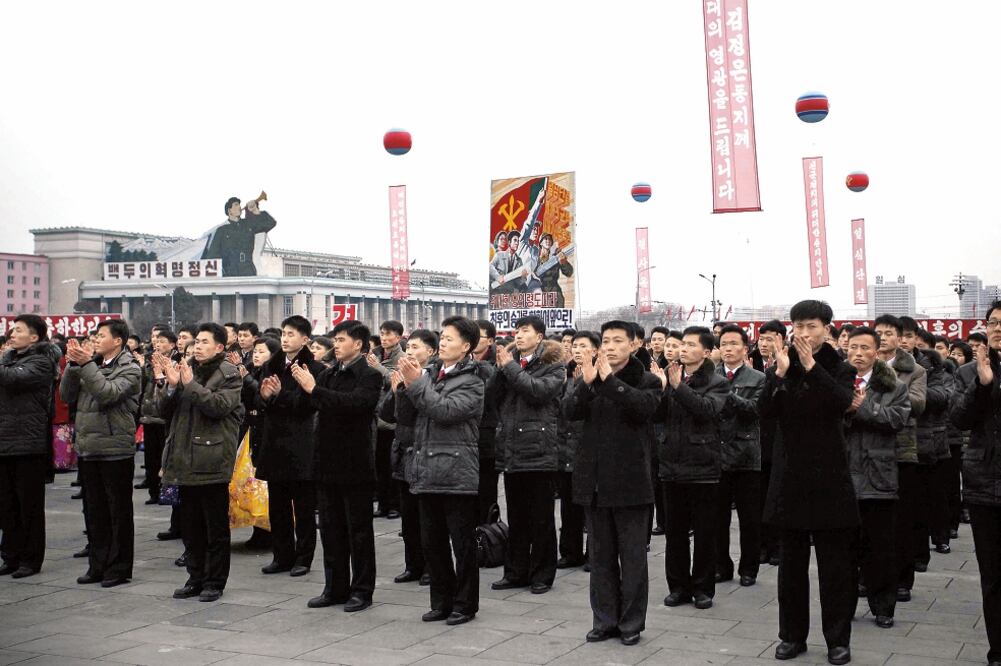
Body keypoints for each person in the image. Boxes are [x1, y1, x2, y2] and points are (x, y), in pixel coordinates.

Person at [758, 300, 857, 665]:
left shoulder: (840, 367)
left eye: (811, 326)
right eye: (797, 326)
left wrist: (812, 367)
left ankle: (837, 640)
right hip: (790, 479)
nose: (803, 333)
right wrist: (780, 375)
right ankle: (792, 636)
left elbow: (841, 402)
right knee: (791, 569)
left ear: (827, 329)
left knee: (835, 568)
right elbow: (763, 413)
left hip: (829, 478)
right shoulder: (781, 367)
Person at [564, 321, 661, 646]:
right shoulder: (589, 377)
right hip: (594, 481)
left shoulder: (647, 379)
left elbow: (642, 409)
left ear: (635, 345)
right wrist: (586, 384)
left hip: (631, 482)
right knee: (600, 557)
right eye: (605, 340)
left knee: (632, 559)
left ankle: (631, 622)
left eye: (618, 341)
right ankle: (604, 620)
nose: (610, 346)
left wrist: (608, 382)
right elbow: (569, 412)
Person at [397, 316, 484, 625]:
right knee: (432, 543)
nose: (443, 342)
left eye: (449, 338)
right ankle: (441, 601)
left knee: (461, 544)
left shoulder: (473, 381)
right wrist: (402, 387)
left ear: (466, 346)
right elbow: (401, 419)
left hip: (456, 471)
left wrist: (416, 384)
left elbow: (445, 411)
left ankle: (465, 604)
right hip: (425, 469)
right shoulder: (428, 374)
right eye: (442, 337)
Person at [293, 320, 383, 612]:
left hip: (355, 465)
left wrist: (314, 390)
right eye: (335, 339)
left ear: (358, 343)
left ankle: (362, 591)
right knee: (330, 531)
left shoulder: (368, 375)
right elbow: (322, 406)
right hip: (327, 463)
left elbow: (355, 405)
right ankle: (334, 587)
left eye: (341, 339)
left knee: (358, 532)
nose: (336, 344)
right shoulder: (331, 374)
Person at [152, 323, 243, 602]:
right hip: (181, 457)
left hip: (211, 458)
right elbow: (162, 411)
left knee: (214, 527)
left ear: (219, 347)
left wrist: (189, 385)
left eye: (205, 342)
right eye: (197, 342)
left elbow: (217, 407)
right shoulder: (183, 367)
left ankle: (214, 581)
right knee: (190, 527)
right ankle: (195, 577)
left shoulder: (229, 374)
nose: (198, 347)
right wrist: (168, 385)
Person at [61, 319, 142, 588]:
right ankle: (97, 565)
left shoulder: (129, 367)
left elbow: (108, 393)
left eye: (101, 335)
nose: (95, 339)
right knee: (93, 511)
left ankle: (118, 568)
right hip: (89, 447)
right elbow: (66, 396)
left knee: (117, 512)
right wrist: (73, 365)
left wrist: (86, 365)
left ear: (117, 341)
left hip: (115, 448)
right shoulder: (92, 364)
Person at [655, 326, 729, 610]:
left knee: (704, 532)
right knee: (674, 533)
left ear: (707, 352)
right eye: (681, 344)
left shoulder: (717, 382)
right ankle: (678, 587)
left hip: (703, 467)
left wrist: (678, 387)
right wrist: (662, 389)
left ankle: (702, 588)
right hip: (672, 465)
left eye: (690, 345)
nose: (682, 349)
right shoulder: (672, 377)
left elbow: (706, 410)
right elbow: (657, 415)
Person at [492, 315, 565, 595]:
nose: (519, 336)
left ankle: (542, 574)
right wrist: (501, 370)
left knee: (541, 518)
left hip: (539, 451)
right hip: (512, 450)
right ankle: (515, 572)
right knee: (518, 516)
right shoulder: (509, 364)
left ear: (540, 337)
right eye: (517, 331)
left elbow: (537, 392)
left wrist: (510, 367)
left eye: (525, 331)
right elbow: (492, 397)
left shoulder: (553, 366)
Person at [843, 326, 910, 629]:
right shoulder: (836, 383)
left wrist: (863, 407)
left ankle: (883, 606)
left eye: (865, 348)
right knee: (843, 550)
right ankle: (843, 606)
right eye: (853, 347)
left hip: (878, 477)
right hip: (842, 477)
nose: (858, 353)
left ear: (877, 351)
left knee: (880, 547)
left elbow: (896, 420)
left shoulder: (893, 386)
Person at [950, 300, 1001, 666]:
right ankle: (998, 649)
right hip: (986, 483)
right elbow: (960, 419)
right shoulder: (969, 372)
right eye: (994, 322)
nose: (998, 328)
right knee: (994, 577)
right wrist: (983, 386)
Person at [255, 315, 323, 577]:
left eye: (292, 334)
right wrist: (263, 396)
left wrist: (279, 395)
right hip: (274, 444)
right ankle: (281, 556)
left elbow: (307, 405)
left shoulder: (315, 370)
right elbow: (258, 401)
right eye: (283, 333)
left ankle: (303, 558)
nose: (285, 338)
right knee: (278, 506)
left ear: (305, 339)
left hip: (302, 445)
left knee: (304, 507)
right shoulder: (271, 365)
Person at [873, 314, 927, 603]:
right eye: (878, 332)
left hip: (901, 452)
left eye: (889, 333)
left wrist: (885, 378)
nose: (883, 337)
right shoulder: (859, 365)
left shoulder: (914, 370)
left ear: (900, 337)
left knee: (902, 522)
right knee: (869, 523)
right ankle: (868, 577)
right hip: (866, 452)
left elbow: (917, 404)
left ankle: (903, 580)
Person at [0, 314, 56, 579]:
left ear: (34, 337)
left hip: (28, 443)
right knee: (7, 504)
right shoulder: (9, 359)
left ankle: (30, 559)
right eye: (12, 329)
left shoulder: (41, 361)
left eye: (18, 330)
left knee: (29, 505)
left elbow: (13, 380)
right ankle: (10, 555)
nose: (12, 333)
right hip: (5, 441)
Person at [383, 329, 439, 586]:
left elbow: (425, 411)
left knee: (428, 517)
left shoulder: (436, 377)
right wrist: (396, 391)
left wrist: (409, 388)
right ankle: (412, 564)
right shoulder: (401, 377)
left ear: (431, 351)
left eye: (416, 347)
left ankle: (431, 566)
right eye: (408, 348)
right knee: (409, 517)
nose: (410, 352)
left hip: (425, 452)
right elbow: (389, 414)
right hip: (404, 451)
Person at [714, 324, 765, 587]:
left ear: (745, 350)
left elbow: (754, 411)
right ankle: (721, 566)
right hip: (716, 456)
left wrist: (727, 394)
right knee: (717, 518)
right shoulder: (710, 375)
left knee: (749, 519)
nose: (728, 349)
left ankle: (749, 568)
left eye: (734, 344)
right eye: (723, 344)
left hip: (746, 456)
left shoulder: (758, 378)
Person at [556, 330, 600, 569]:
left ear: (595, 350)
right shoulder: (565, 375)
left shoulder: (603, 375)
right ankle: (570, 552)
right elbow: (562, 409)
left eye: (583, 345)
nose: (577, 349)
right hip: (565, 447)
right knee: (568, 505)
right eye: (575, 345)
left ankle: (594, 553)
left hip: (590, 449)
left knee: (591, 507)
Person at [239, 335, 280, 551]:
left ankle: (269, 532)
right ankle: (258, 530)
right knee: (252, 485)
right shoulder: (250, 370)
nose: (256, 354)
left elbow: (260, 396)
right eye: (255, 351)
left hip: (267, 433)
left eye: (261, 351)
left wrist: (246, 378)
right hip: (250, 431)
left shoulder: (273, 374)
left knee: (264, 487)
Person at [755, 319, 786, 566]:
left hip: (779, 437)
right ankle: (762, 546)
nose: (764, 343)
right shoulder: (751, 362)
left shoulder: (788, 364)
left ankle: (777, 547)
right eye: (762, 338)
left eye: (771, 339)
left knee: (777, 495)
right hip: (755, 439)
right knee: (759, 497)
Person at [369, 320, 405, 519]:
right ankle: (382, 504)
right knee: (379, 465)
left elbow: (397, 380)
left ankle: (394, 505)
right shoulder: (375, 355)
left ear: (398, 337)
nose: (384, 337)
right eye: (382, 333)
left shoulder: (403, 357)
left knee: (392, 466)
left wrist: (379, 368)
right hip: (376, 418)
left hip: (392, 420)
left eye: (388, 334)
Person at [138, 329, 177, 505]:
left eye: (162, 341)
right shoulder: (149, 359)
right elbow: (144, 382)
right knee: (151, 457)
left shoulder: (177, 361)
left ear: (172, 344)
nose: (158, 344)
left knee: (165, 456)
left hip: (165, 418)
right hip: (149, 414)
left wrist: (163, 369)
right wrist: (151, 366)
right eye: (156, 341)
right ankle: (153, 491)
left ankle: (165, 491)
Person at [202, 196, 277, 277]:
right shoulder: (222, 230)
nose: (239, 207)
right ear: (229, 210)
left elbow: (271, 223)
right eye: (236, 205)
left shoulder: (248, 224)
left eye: (239, 205)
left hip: (248, 270)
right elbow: (212, 256)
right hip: (229, 272)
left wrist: (255, 210)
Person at [473, 320, 500, 523]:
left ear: (490, 340)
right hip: (466, 439)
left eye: (479, 336)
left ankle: (488, 539)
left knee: (487, 493)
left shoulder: (497, 365)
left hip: (488, 437)